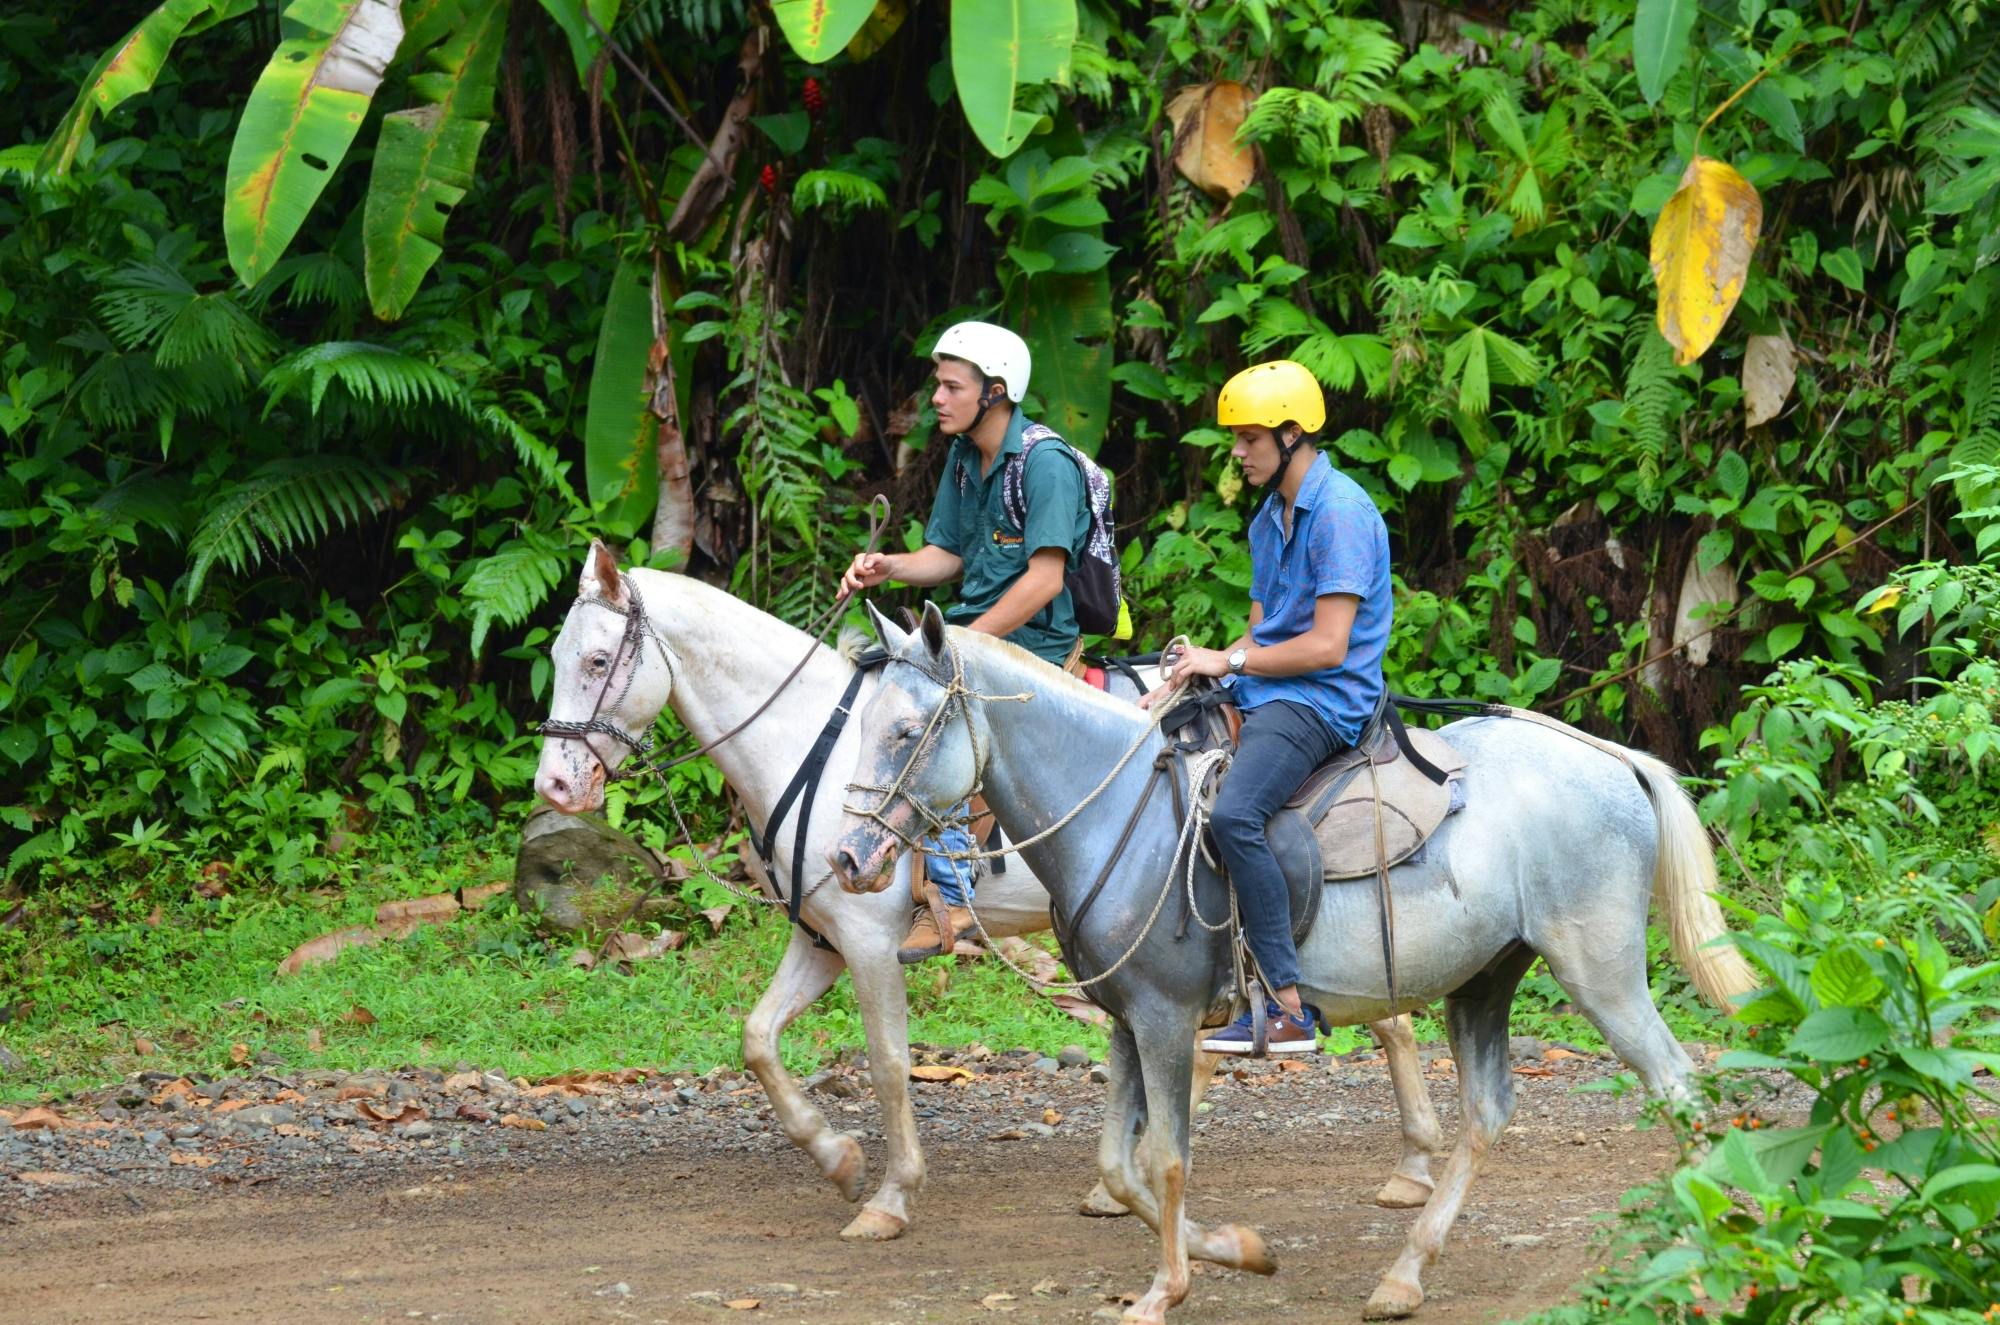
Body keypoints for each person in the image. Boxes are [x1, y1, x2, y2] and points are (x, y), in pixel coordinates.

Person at [1139, 360, 1392, 1054]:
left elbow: (1329, 645)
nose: (1238, 452)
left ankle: (1286, 1003)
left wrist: (1234, 662)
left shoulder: (1338, 513)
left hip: (1322, 700)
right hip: (1270, 684)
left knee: (1233, 813)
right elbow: (1260, 630)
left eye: (1250, 438)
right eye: (1235, 439)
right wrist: (1196, 673)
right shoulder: (1268, 518)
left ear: (1290, 433)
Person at [840, 321, 1090, 962]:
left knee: (937, 721)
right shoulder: (962, 458)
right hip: (968, 631)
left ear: (997, 392)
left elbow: (1045, 579)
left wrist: (962, 646)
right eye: (939, 385)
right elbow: (945, 555)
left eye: (953, 387)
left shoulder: (1046, 463)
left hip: (1033, 639)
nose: (938, 399)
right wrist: (889, 566)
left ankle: (952, 899)